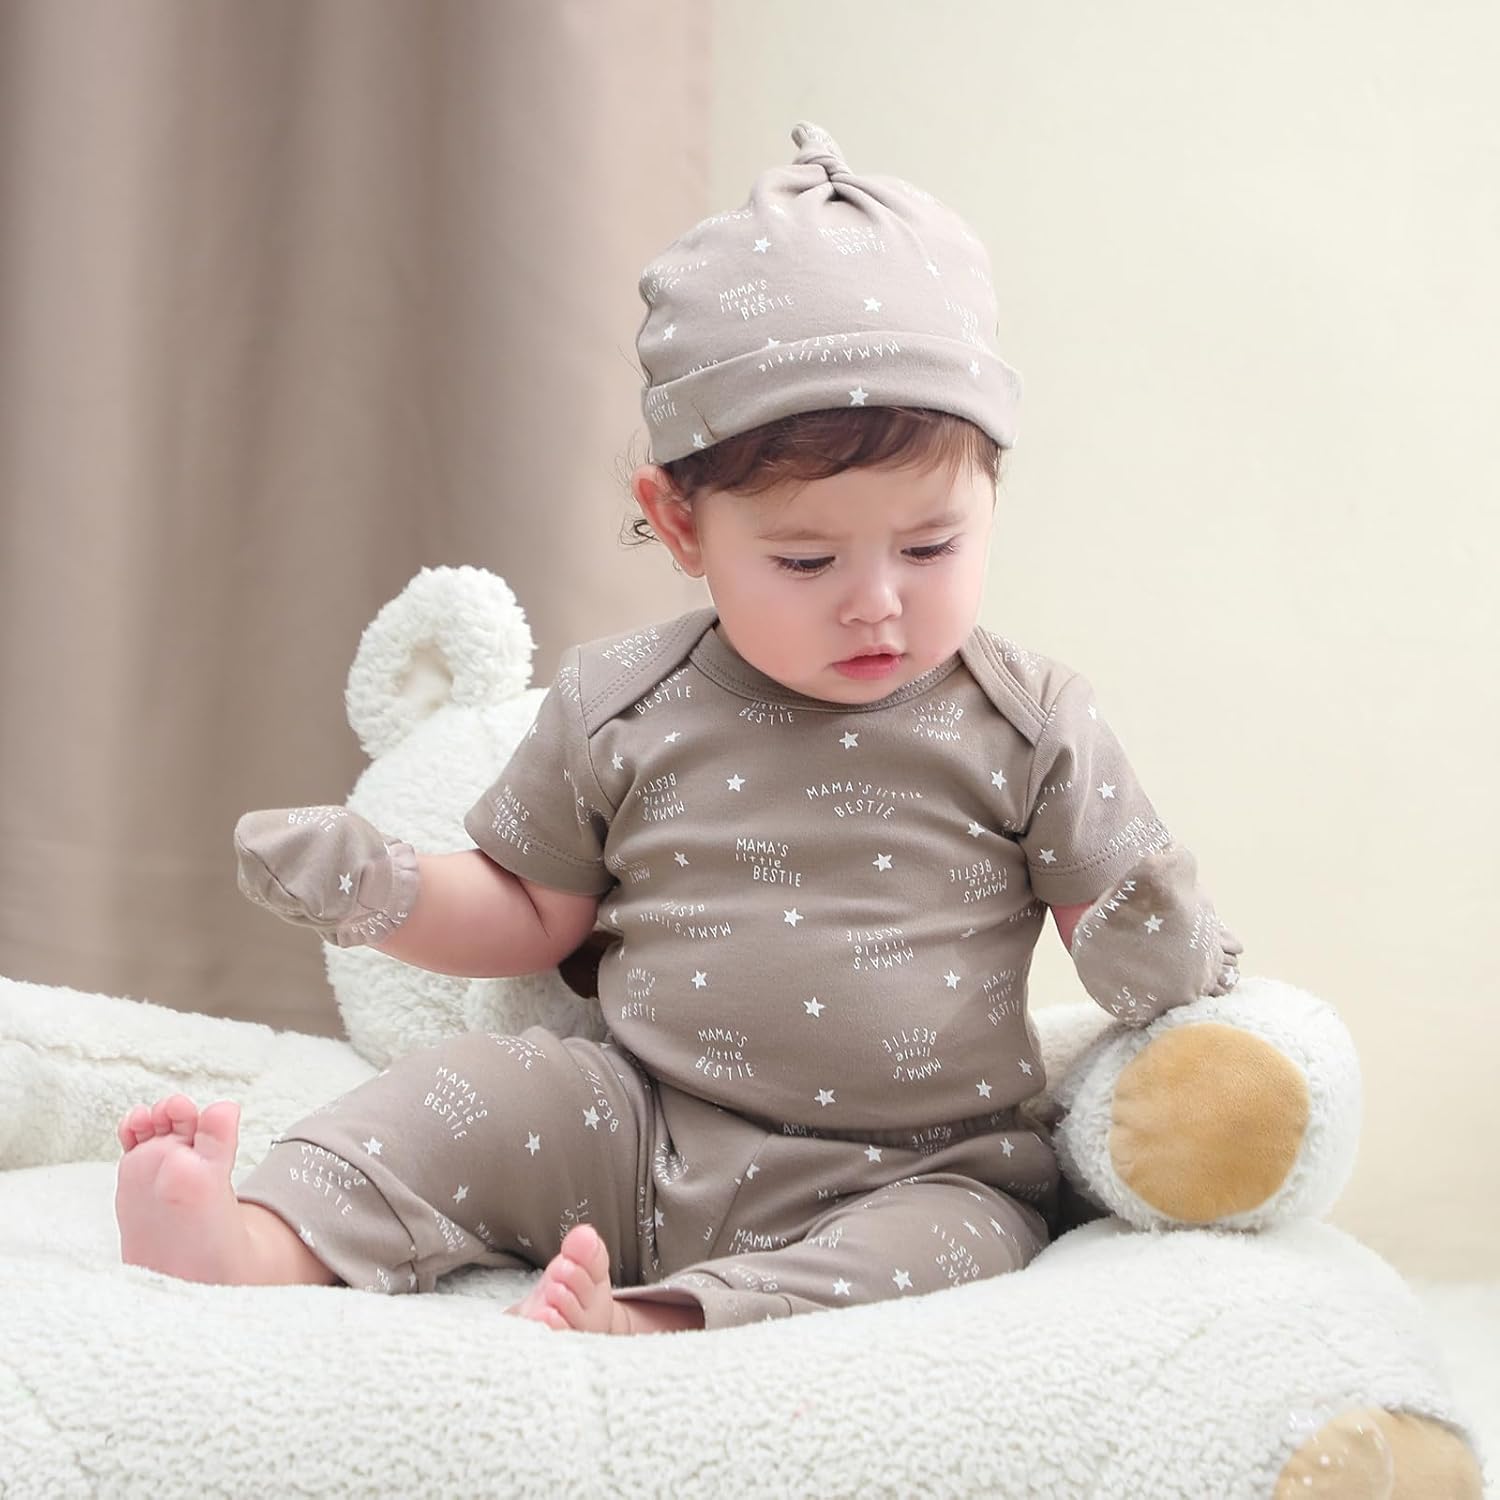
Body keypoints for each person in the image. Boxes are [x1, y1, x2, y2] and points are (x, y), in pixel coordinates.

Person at [114, 123, 1242, 1335]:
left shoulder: (1030, 722)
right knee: (470, 1092)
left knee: (964, 1241)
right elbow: (530, 914)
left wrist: (1154, 931)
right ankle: (259, 1239)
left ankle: (664, 1320)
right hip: (640, 1128)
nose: (877, 601)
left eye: (931, 546)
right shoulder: (619, 702)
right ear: (681, 523)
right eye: (805, 559)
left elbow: (1134, 963)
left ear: (991, 498)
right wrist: (381, 889)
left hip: (918, 1167)